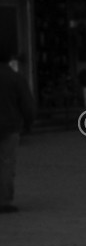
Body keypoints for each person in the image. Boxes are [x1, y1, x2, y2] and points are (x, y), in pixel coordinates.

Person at [0, 41, 35, 213]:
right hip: (10, 126)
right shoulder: (16, 78)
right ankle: (4, 200)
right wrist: (29, 122)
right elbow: (27, 105)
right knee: (7, 163)